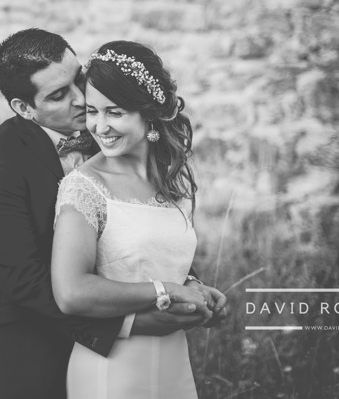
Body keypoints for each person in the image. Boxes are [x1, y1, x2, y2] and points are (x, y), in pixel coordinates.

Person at [0, 29, 221, 399]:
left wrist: (186, 282)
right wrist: (138, 319)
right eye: (58, 95)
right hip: (32, 364)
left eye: (78, 79)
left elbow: (131, 234)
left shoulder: (115, 141)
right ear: (24, 108)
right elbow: (24, 283)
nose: (82, 99)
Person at [51, 40, 228, 398]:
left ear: (148, 114)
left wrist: (193, 288)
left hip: (173, 361)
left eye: (114, 112)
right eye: (92, 111)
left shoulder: (173, 182)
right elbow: (71, 293)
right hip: (112, 368)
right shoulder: (84, 187)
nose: (100, 126)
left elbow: (149, 257)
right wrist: (165, 291)